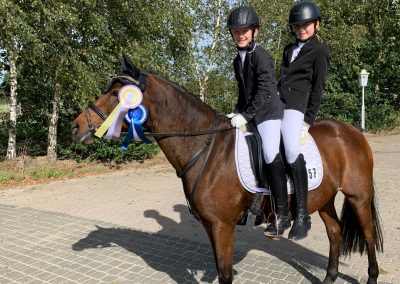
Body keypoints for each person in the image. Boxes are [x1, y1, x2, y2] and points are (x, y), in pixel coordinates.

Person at [265, 1, 331, 240]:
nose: (301, 29)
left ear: (316, 24)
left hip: (297, 107)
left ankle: (302, 215)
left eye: (306, 25)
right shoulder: (287, 49)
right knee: (267, 148)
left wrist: (307, 121)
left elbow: (318, 88)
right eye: (297, 26)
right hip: (278, 105)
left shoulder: (320, 51)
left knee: (292, 150)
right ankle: (278, 211)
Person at [226, 6, 291, 238]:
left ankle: (282, 214)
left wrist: (246, 115)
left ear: (255, 32)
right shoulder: (237, 61)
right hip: (252, 113)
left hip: (269, 113)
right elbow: (244, 93)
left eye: (245, 30)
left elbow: (264, 91)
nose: (240, 35)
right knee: (240, 150)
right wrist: (235, 112)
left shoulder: (262, 56)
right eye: (236, 31)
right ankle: (253, 205)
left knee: (270, 152)